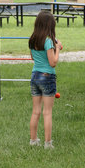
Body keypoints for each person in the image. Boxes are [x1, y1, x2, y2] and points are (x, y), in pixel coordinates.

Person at [28, 11, 63, 149]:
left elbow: (33, 58)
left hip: (34, 76)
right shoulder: (48, 41)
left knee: (36, 111)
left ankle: (33, 140)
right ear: (50, 26)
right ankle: (48, 143)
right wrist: (58, 49)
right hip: (47, 77)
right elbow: (53, 62)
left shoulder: (32, 39)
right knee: (47, 112)